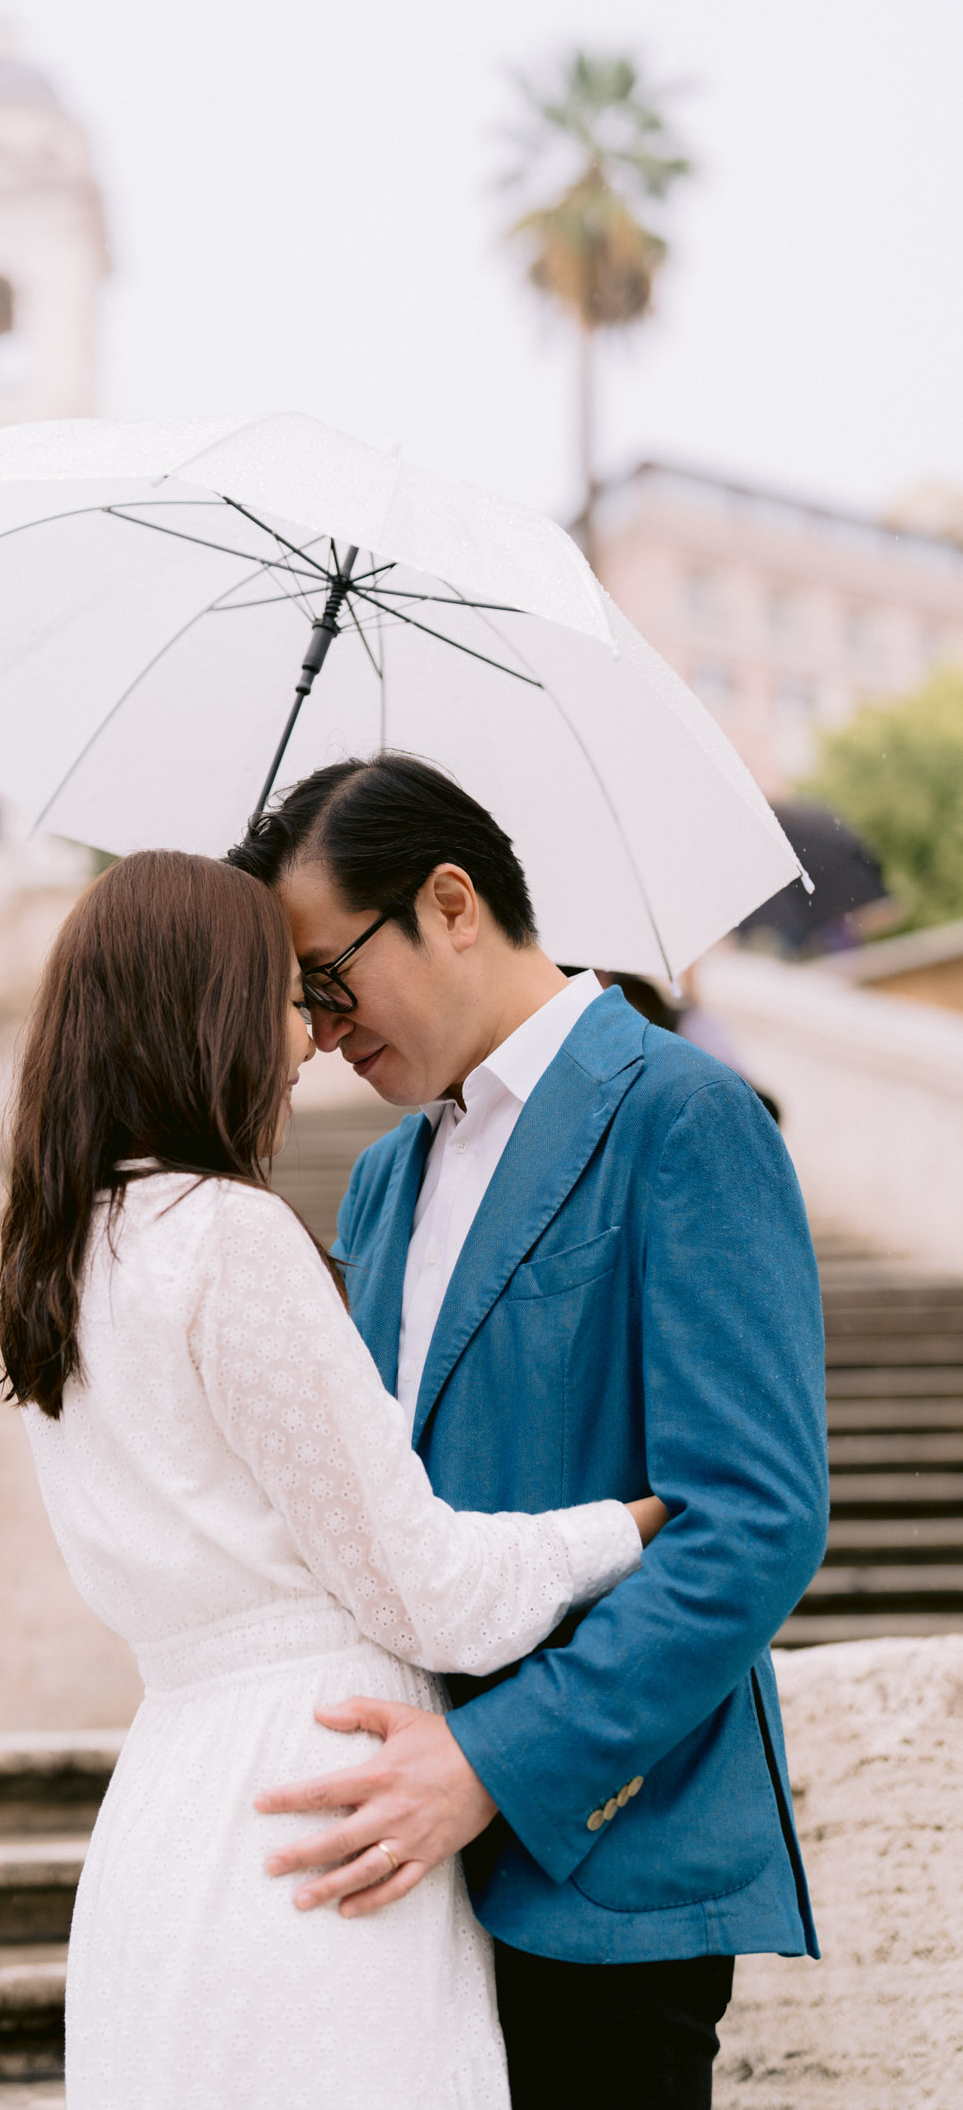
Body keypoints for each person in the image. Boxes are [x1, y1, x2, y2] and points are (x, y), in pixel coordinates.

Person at [0, 848, 668, 2110]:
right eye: (283, 995)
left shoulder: (67, 1256)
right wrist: (619, 1528)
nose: (306, 1039)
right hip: (319, 1817)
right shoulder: (229, 1238)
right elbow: (433, 1593)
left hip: (170, 1810)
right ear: (200, 1010)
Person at [228, 755, 829, 2110]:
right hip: (408, 1874)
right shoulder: (383, 1181)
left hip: (605, 1869)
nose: (318, 1030)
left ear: (450, 902)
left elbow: (754, 1521)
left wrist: (496, 1762)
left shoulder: (684, 1115)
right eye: (301, 997)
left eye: (330, 976)